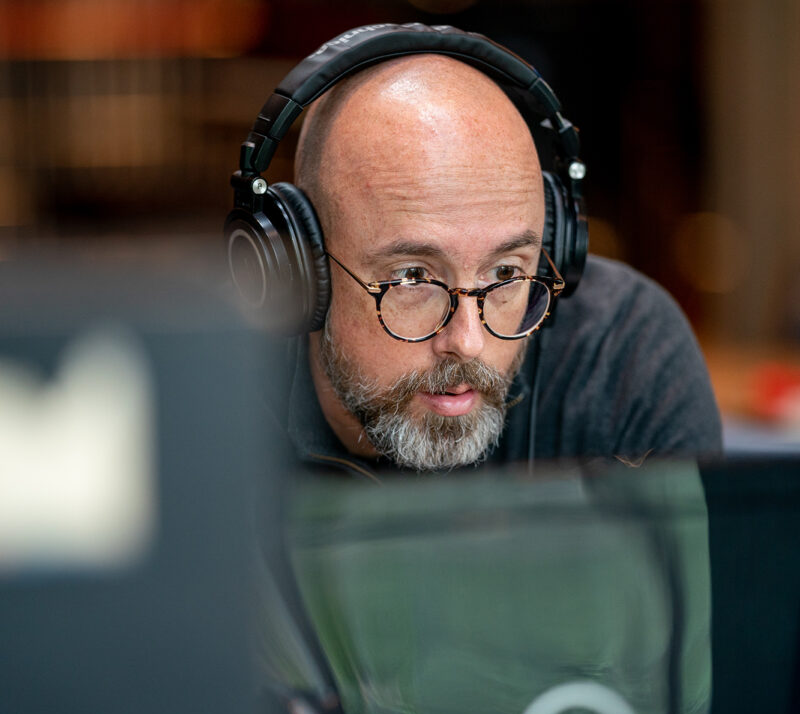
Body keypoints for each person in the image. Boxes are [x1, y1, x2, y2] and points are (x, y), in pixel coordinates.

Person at [241, 26, 722, 477]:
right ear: (301, 274)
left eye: (506, 273)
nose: (468, 342)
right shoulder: (206, 403)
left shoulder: (625, 356)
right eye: (412, 277)